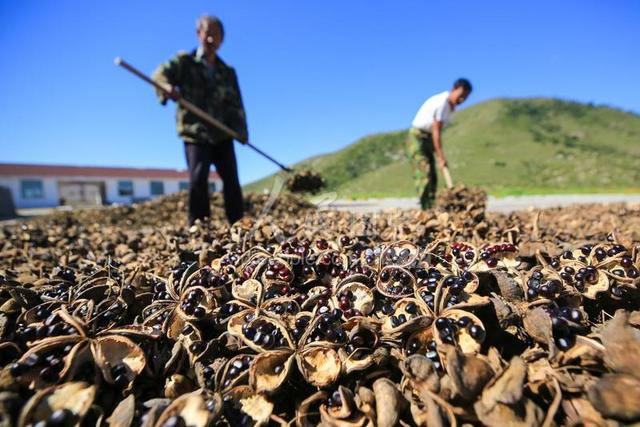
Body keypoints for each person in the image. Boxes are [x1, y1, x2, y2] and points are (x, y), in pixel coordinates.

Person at [152, 14, 248, 225]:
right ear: (199, 34)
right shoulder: (185, 63)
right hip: (195, 132)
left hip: (222, 133)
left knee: (231, 180)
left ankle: (238, 224)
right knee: (198, 178)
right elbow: (159, 75)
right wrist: (168, 88)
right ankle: (200, 227)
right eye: (208, 33)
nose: (212, 39)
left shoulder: (227, 72)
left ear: (222, 38)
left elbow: (236, 103)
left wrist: (241, 130)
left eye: (217, 34)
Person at [407, 78, 472, 209]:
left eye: (465, 98)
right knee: (424, 172)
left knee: (433, 177)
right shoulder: (443, 103)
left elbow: (435, 133)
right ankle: (425, 209)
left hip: (428, 138)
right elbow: (436, 131)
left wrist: (437, 154)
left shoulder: (451, 108)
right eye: (461, 96)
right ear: (454, 90)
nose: (462, 100)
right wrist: (441, 156)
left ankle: (431, 207)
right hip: (418, 137)